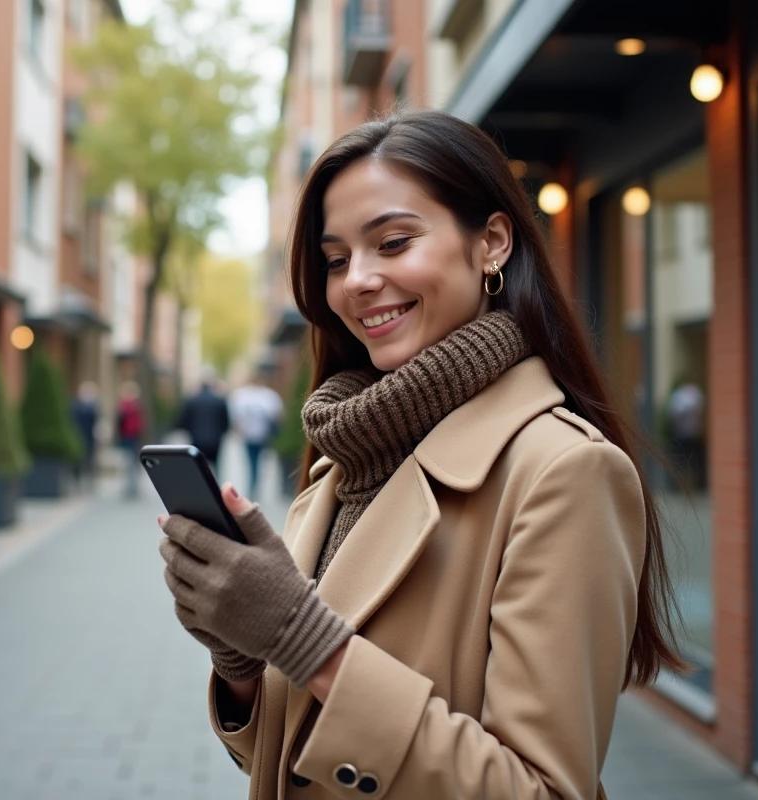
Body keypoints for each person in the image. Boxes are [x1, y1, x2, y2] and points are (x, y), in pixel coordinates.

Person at [154, 110, 683, 799]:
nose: (357, 281)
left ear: (492, 242)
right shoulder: (343, 459)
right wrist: (241, 660)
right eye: (337, 258)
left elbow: (543, 790)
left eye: (394, 242)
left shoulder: (565, 471)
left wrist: (301, 637)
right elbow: (294, 761)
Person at [228, 374, 283, 499]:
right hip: (255, 436)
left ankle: (253, 486)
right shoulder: (268, 396)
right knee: (255, 462)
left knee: (254, 462)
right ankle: (254, 485)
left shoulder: (242, 395)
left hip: (257, 436)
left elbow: (235, 417)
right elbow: (277, 415)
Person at [176, 368, 232, 473]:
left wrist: (190, 432)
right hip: (215, 441)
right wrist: (221, 433)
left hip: (197, 440)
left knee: (198, 468)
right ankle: (214, 487)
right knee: (216, 467)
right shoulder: (219, 400)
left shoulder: (192, 400)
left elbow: (183, 420)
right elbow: (225, 421)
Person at [116, 380, 143, 499]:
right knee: (131, 460)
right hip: (132, 436)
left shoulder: (125, 406)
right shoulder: (135, 405)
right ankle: (132, 485)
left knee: (129, 460)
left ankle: (131, 485)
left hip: (128, 436)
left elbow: (119, 421)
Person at [71, 381, 100, 492]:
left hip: (88, 439)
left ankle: (87, 482)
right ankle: (80, 482)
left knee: (88, 460)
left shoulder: (92, 407)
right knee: (79, 461)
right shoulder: (78, 406)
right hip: (80, 438)